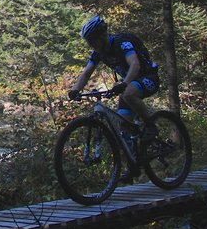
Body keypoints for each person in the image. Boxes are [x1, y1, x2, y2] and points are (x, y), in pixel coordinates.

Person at [67, 16, 160, 181]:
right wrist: (75, 89)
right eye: (89, 42)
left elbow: (135, 65)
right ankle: (133, 166)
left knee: (129, 93)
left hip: (148, 78)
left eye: (92, 41)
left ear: (101, 36)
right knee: (123, 127)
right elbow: (87, 72)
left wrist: (124, 83)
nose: (91, 45)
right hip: (128, 85)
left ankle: (151, 125)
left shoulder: (122, 43)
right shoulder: (98, 53)